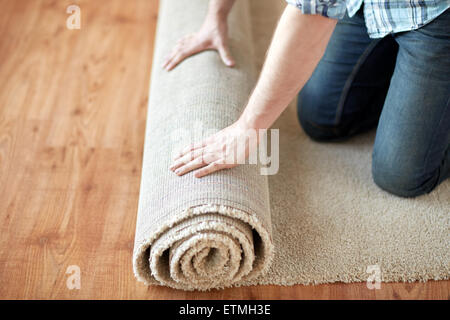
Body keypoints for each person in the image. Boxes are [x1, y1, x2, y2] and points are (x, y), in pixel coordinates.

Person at [168, 0, 450, 198]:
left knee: (401, 175)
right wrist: (215, 17)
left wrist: (247, 128)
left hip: (440, 12)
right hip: (374, 4)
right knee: (322, 119)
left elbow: (312, 12)